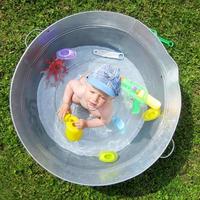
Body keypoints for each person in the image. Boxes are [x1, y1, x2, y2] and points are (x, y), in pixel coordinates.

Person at [57, 65, 121, 129]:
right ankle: (85, 76)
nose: (95, 99)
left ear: (110, 99)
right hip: (84, 87)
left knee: (100, 115)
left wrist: (87, 124)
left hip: (94, 106)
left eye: (102, 97)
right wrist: (66, 103)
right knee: (73, 98)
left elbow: (104, 121)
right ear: (87, 85)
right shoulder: (81, 90)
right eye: (92, 92)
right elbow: (70, 84)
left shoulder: (106, 109)